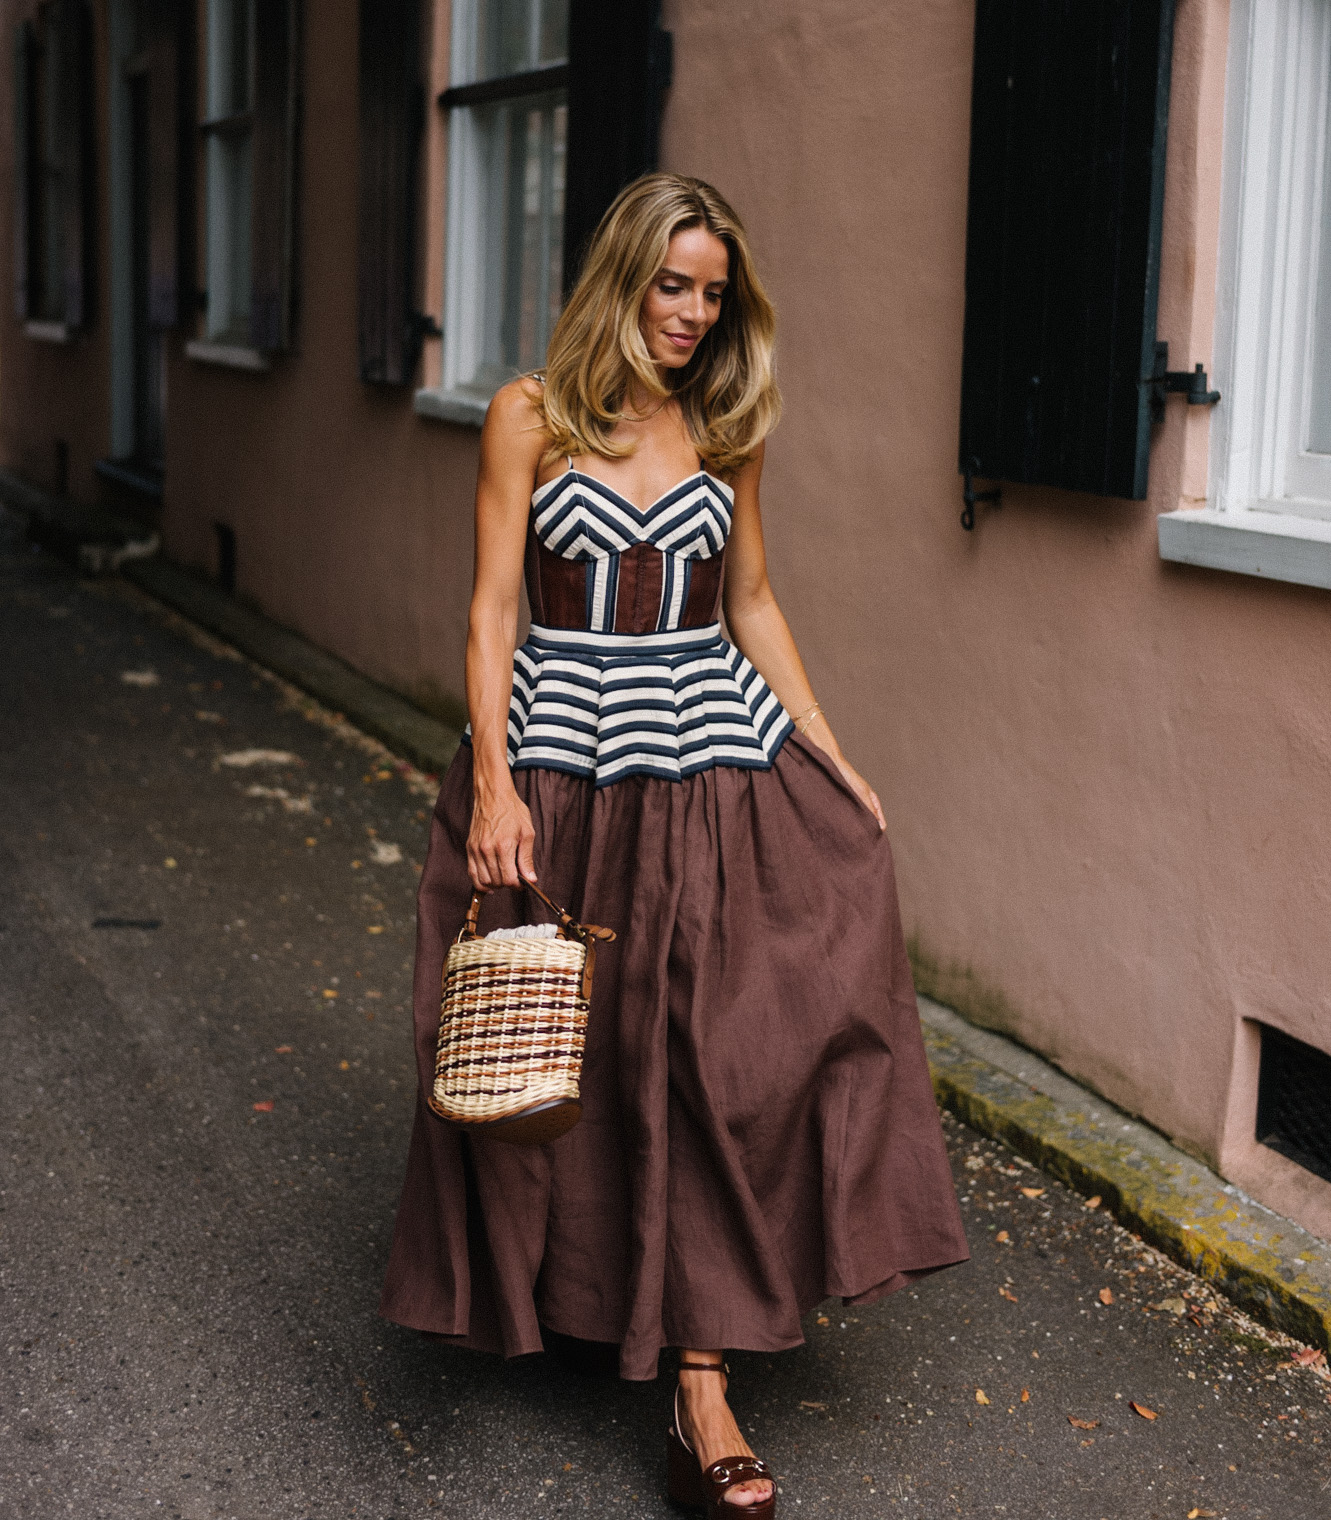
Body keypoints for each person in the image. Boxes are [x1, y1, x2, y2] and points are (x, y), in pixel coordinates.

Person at [381, 174, 967, 1514]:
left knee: (718, 1053)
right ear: (623, 279)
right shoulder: (529, 418)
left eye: (714, 290)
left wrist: (826, 745)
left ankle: (701, 1390)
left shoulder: (725, 425)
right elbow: (487, 617)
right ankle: (593, 1299)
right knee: (579, 1050)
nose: (696, 312)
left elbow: (749, 597)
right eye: (674, 284)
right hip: (563, 774)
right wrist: (490, 784)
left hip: (713, 769)